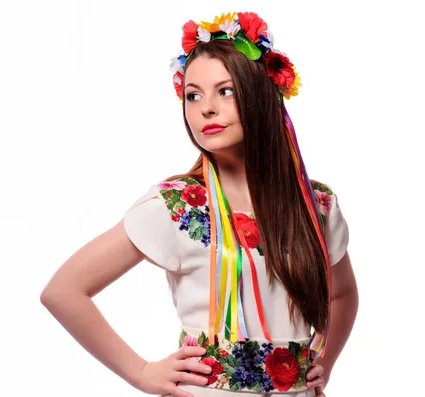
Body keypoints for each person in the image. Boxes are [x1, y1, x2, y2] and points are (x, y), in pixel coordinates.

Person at [40, 11, 358, 397]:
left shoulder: (316, 204)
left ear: (261, 94)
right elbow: (64, 290)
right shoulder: (177, 206)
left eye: (225, 90)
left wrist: (323, 359)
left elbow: (341, 295)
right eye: (193, 95)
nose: (206, 107)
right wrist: (140, 371)